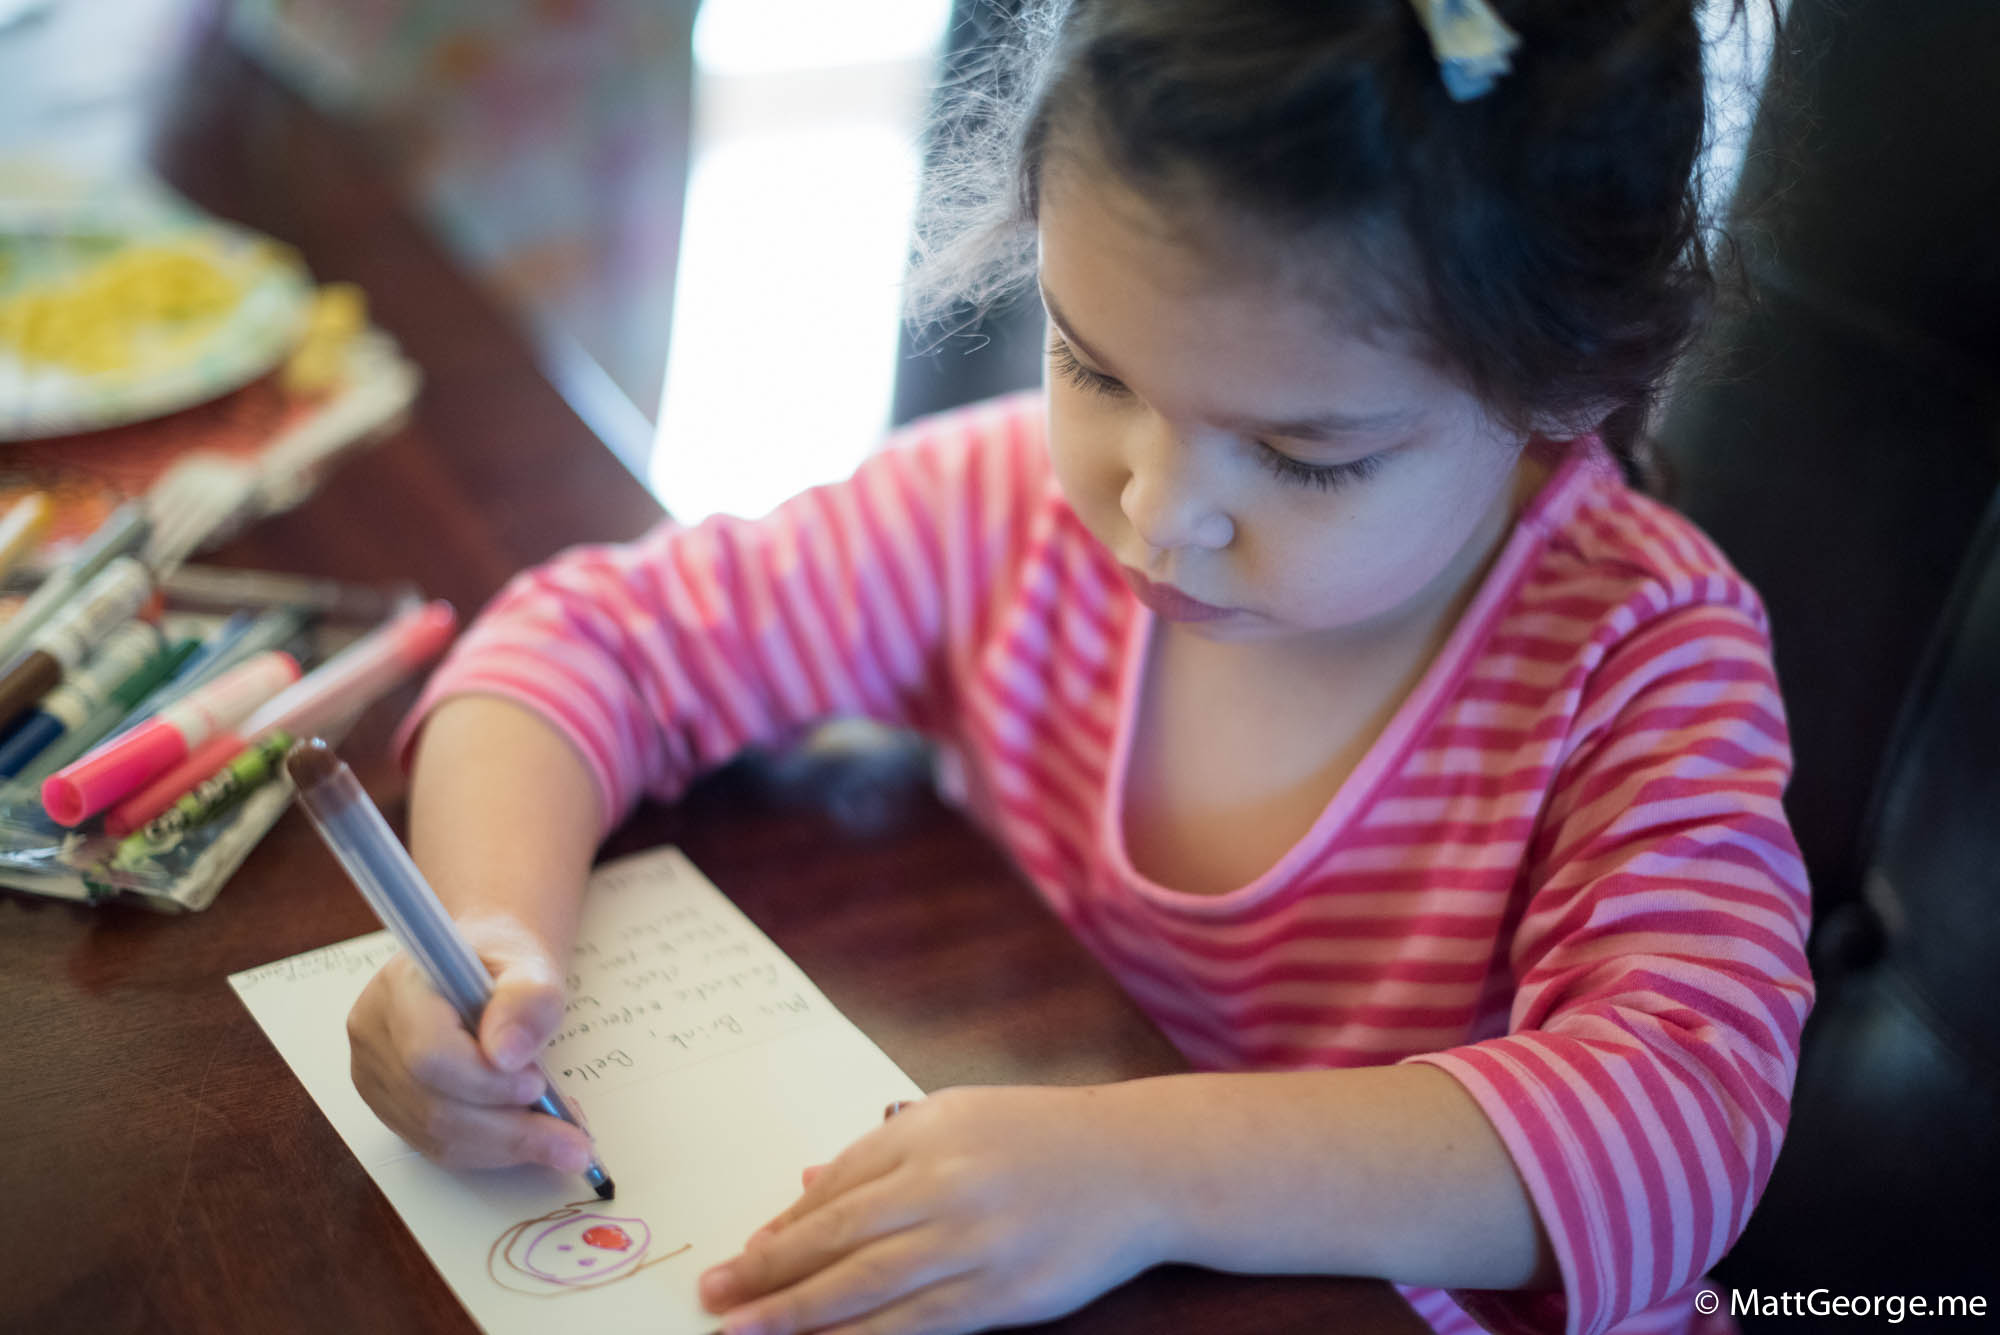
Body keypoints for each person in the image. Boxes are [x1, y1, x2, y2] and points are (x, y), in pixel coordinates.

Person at [347, 2, 1811, 1332]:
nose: (1155, 511)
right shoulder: (1001, 516)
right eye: (1094, 368)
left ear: (1566, 387)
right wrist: (486, 940)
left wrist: (1137, 1167)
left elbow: (1682, 1122)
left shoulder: (1639, 659)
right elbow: (587, 640)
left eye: (1310, 458)